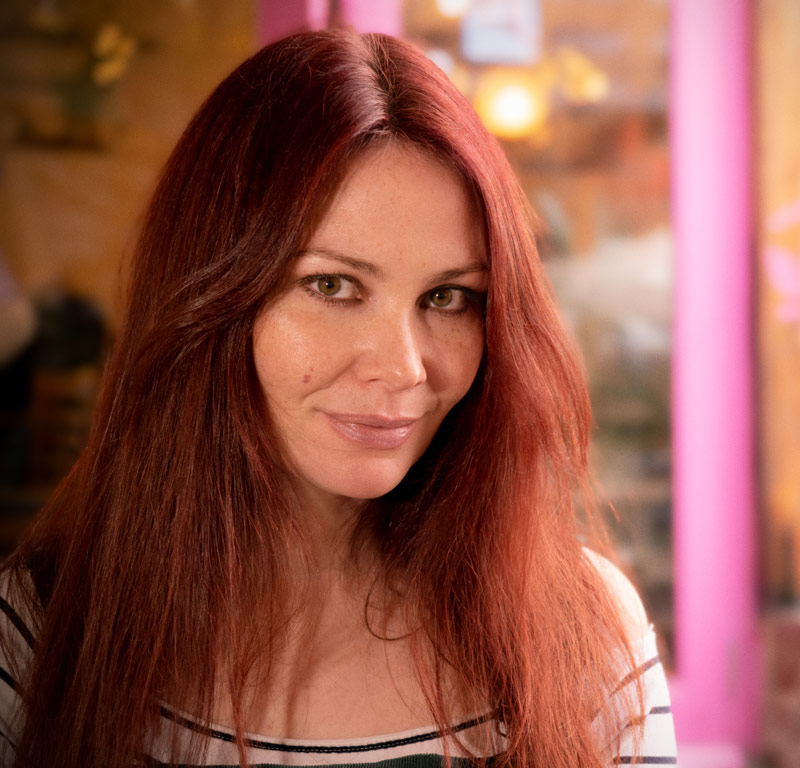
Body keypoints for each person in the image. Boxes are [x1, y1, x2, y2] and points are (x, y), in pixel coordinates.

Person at [0, 28, 676, 768]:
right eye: (332, 286)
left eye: (448, 297)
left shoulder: (586, 629)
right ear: (210, 299)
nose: (403, 367)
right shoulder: (37, 637)